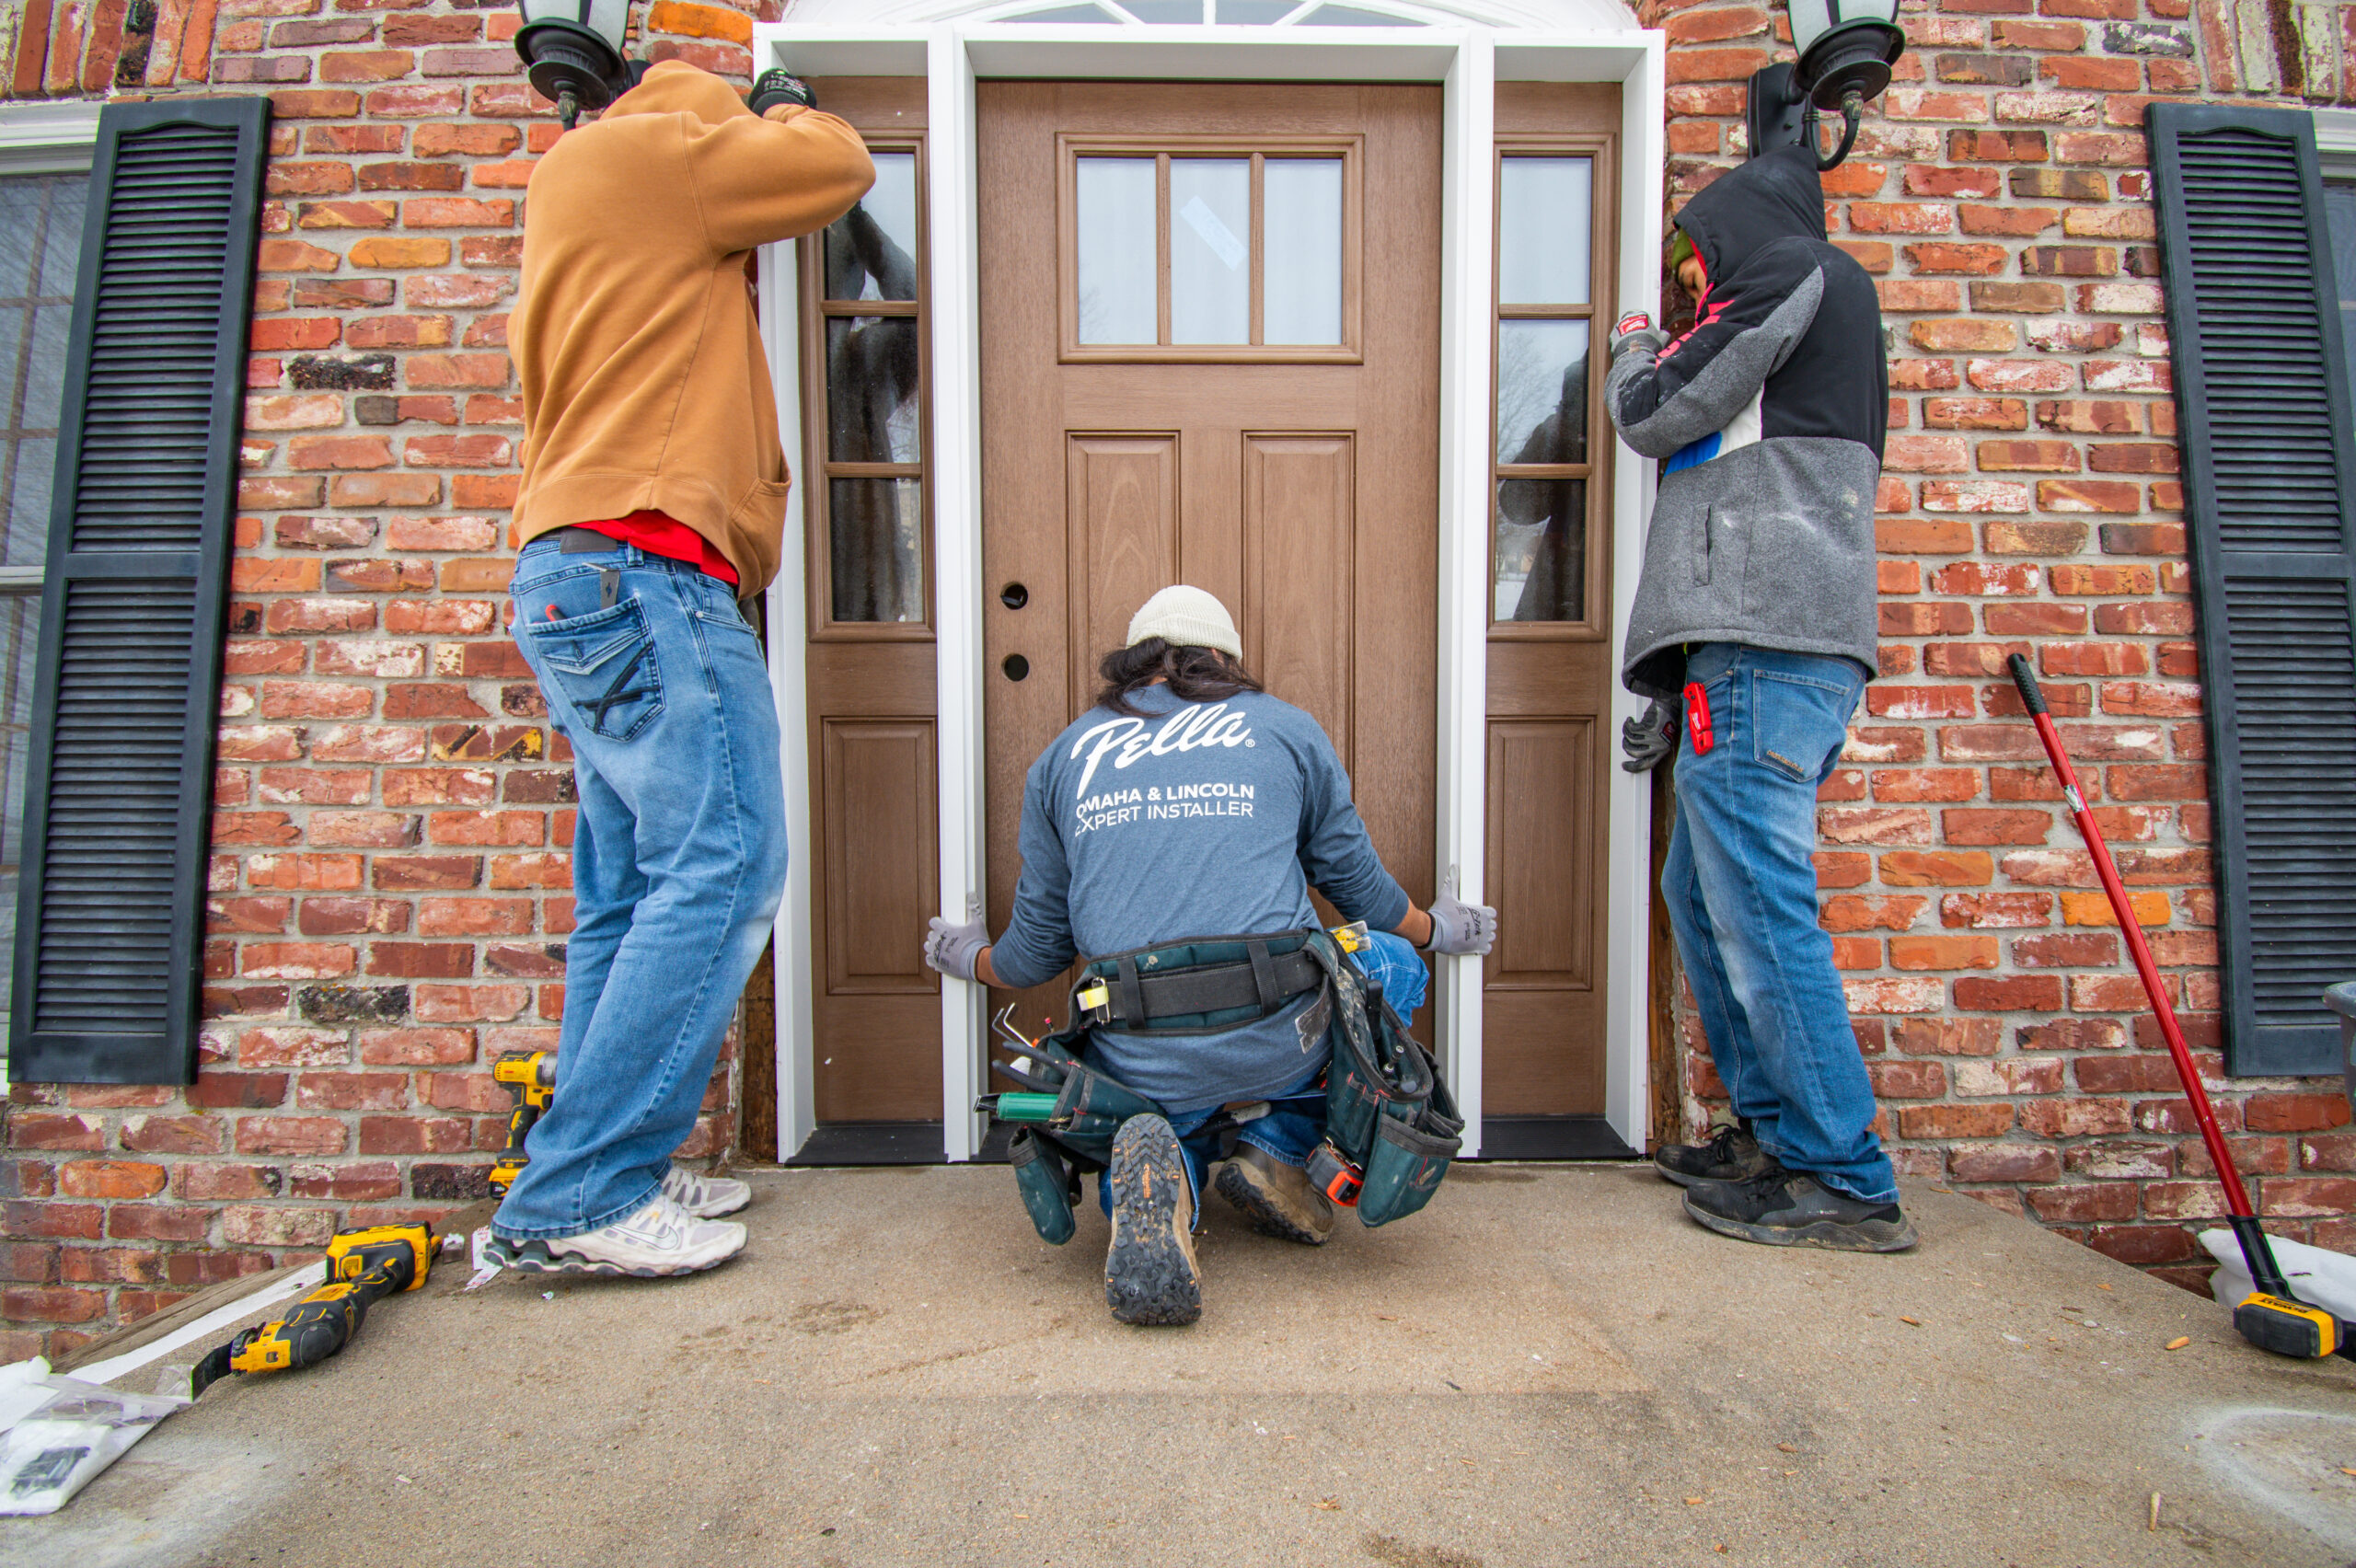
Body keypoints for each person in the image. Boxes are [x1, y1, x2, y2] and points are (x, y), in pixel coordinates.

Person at [488, 63, 874, 1276]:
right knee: (727, 862)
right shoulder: (668, 149)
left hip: (577, 573)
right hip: (647, 567)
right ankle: (581, 1193)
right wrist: (776, 107)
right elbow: (837, 162)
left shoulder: (582, 196)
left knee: (626, 892)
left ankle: (602, 1175)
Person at [923, 586, 1496, 1324]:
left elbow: (1035, 953)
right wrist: (1435, 929)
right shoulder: (1285, 728)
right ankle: (1277, 1147)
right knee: (1391, 964)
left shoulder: (1063, 757)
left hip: (1138, 1053)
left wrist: (971, 958)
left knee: (1151, 1112)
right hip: (1279, 1037)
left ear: (1133, 662)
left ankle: (1162, 1179)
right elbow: (1361, 892)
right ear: (1224, 659)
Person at [1605, 144, 1915, 1253]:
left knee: (1760, 908)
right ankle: (1777, 1138)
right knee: (1701, 896)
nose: (1691, 283)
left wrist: (1634, 337)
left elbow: (1651, 410)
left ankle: (1842, 1176)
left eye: (1694, 259)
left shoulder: (1793, 269)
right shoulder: (1797, 312)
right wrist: (1677, 671)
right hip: (1739, 654)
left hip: (1765, 647)